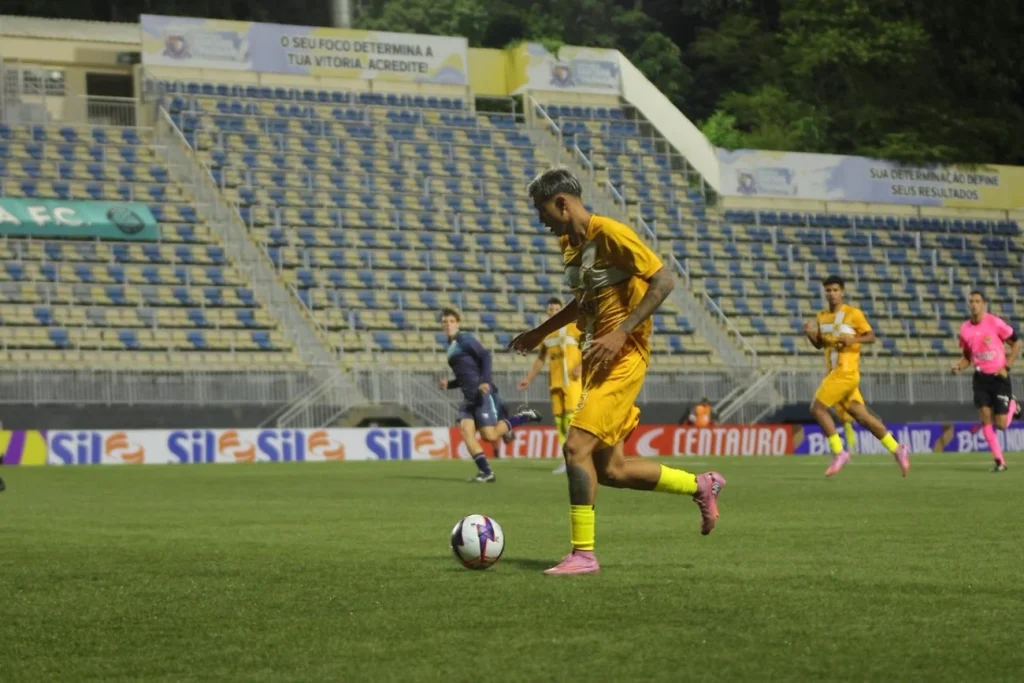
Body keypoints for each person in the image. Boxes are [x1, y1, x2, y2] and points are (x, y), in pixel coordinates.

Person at [510, 168, 726, 576]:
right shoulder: (569, 244)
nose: (540, 220)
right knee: (611, 470)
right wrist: (540, 332)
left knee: (575, 448)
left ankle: (583, 554)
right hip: (598, 360)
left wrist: (622, 331)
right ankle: (701, 484)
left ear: (562, 203)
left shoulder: (611, 233)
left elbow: (664, 281)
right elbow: (583, 302)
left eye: (542, 210)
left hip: (624, 357)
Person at [803, 275, 910, 477]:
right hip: (835, 373)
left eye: (835, 290)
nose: (832, 294)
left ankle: (839, 452)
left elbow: (871, 336)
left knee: (817, 408)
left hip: (846, 372)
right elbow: (820, 344)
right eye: (828, 290)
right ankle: (897, 448)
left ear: (842, 292)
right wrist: (810, 333)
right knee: (863, 418)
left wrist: (852, 340)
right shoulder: (822, 316)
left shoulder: (853, 313)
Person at [439, 307, 541, 482]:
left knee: (490, 435)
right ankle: (486, 472)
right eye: (445, 322)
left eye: (451, 321)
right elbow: (466, 375)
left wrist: (485, 381)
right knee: (466, 432)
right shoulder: (450, 347)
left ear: (458, 323)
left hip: (482, 394)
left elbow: (486, 356)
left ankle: (524, 416)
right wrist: (450, 384)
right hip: (468, 397)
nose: (448, 324)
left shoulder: (464, 339)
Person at [951, 290, 1021, 472]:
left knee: (1002, 424)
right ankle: (1000, 461)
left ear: (984, 304)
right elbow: (967, 356)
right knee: (985, 417)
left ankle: (1013, 405)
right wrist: (959, 366)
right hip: (980, 379)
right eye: (971, 301)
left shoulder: (995, 322)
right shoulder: (965, 329)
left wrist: (1007, 367)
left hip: (999, 378)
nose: (974, 304)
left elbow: (1016, 343)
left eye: (977, 301)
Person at [517, 296, 583, 475]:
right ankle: (566, 459)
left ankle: (578, 457)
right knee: (560, 422)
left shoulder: (575, 328)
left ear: (563, 311)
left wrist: (581, 366)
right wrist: (528, 378)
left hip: (572, 382)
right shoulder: (547, 334)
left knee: (572, 420)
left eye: (557, 310)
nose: (553, 313)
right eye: (551, 311)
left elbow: (588, 348)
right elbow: (541, 359)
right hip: (555, 383)